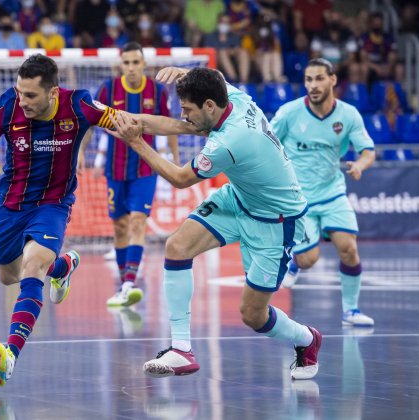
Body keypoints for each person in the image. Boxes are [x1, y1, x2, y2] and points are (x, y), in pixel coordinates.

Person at [108, 67, 322, 380]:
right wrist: (123, 117)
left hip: (275, 223)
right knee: (177, 246)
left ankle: (307, 338)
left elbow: (181, 178)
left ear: (209, 106)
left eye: (188, 109)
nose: (184, 115)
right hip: (240, 199)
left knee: (253, 315)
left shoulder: (230, 142)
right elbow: (209, 87)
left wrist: (138, 143)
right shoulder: (231, 96)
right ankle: (181, 349)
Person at [0, 54, 119, 386]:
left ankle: (10, 355)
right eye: (20, 92)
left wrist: (187, 126)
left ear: (52, 92)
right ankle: (62, 267)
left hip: (53, 202)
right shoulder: (9, 105)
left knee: (32, 267)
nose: (22, 100)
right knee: (9, 275)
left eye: (30, 95)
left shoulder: (78, 104)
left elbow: (127, 120)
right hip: (12, 203)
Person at [271, 58, 376, 328]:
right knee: (309, 260)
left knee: (349, 249)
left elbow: (368, 151)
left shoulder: (349, 114)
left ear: (332, 80)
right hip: (298, 198)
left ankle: (351, 311)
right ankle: (295, 263)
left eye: (319, 79)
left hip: (333, 193)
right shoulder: (289, 113)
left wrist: (360, 165)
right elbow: (267, 144)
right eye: (308, 79)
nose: (313, 85)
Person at [78, 42, 179, 307]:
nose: (132, 67)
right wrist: (80, 151)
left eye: (137, 62)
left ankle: (130, 282)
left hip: (146, 168)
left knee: (137, 222)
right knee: (120, 226)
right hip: (115, 169)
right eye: (128, 63)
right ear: (121, 65)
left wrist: (176, 159)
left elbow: (169, 126)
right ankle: (124, 283)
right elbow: (89, 122)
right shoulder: (108, 89)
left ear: (144, 64)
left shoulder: (156, 91)